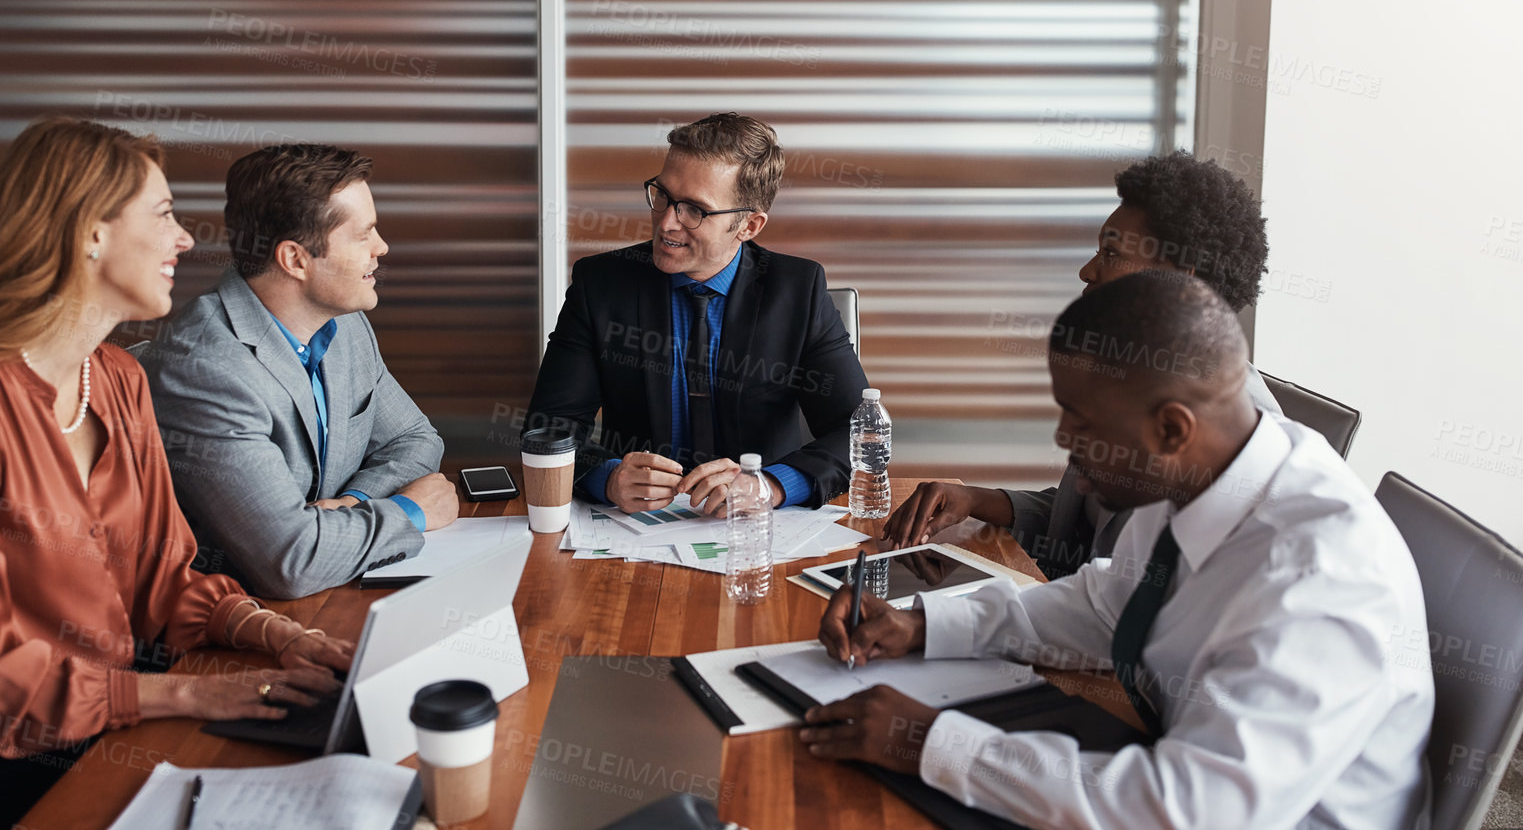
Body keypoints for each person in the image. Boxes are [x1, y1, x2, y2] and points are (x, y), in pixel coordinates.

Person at [0, 120, 353, 830]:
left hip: (100, 733)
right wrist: (180, 697)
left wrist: (268, 632)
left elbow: (162, 581)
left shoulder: (114, 378)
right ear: (88, 233)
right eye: (165, 214)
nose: (183, 239)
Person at [806, 273, 1433, 830]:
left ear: (1170, 429)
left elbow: (1188, 811)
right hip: (1164, 748)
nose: (1063, 438)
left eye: (1081, 420)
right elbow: (1109, 605)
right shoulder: (1204, 474)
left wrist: (931, 744)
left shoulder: (1320, 580)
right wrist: (924, 626)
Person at [886, 150, 1285, 577]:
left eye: (1111, 253)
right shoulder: (1140, 379)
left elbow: (1119, 598)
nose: (1087, 270)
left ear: (1176, 280)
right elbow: (1083, 525)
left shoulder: (1220, 444)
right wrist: (976, 500)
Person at [142, 144, 457, 600]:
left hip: (334, 593)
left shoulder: (344, 322)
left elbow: (415, 440)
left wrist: (356, 504)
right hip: (240, 629)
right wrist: (411, 510)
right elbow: (291, 561)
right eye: (364, 234)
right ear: (295, 260)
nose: (381, 247)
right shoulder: (204, 368)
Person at [526, 113, 867, 515]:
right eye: (663, 196)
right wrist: (609, 477)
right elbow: (549, 428)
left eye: (695, 210)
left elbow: (861, 434)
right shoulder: (600, 284)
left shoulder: (799, 290)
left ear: (749, 225)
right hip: (636, 528)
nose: (666, 222)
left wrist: (771, 486)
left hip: (761, 531)